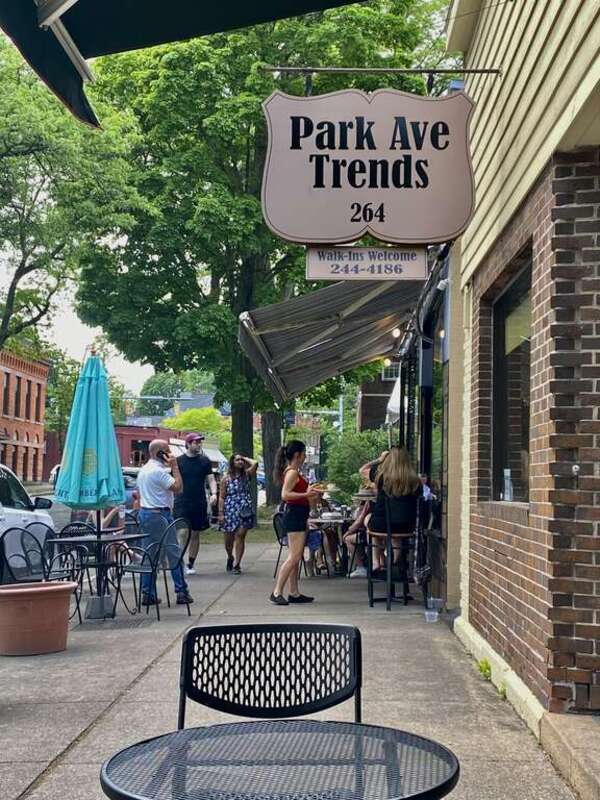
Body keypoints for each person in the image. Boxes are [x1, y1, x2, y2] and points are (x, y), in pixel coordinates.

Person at [136, 439, 193, 606]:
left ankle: (148, 592)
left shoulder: (144, 470)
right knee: (173, 552)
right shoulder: (158, 472)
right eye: (167, 451)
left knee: (150, 554)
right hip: (160, 514)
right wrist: (175, 466)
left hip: (146, 513)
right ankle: (181, 590)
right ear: (159, 452)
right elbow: (178, 488)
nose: (170, 454)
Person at [270, 439, 322, 606]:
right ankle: (277, 591)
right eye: (304, 453)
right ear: (298, 455)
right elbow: (285, 495)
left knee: (295, 556)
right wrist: (306, 495)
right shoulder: (292, 472)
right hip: (294, 515)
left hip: (299, 514)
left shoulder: (295, 472)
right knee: (294, 556)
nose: (305, 456)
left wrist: (309, 495)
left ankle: (294, 592)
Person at [359, 447, 422, 567]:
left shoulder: (381, 478)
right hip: (408, 527)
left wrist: (380, 459)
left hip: (382, 525)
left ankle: (376, 561)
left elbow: (362, 470)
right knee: (395, 528)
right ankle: (396, 562)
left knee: (369, 520)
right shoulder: (416, 481)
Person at [173, 432, 217, 575]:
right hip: (182, 501)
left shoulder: (205, 461)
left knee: (195, 534)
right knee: (182, 531)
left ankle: (190, 563)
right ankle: (179, 562)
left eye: (200, 442)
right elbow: (173, 481)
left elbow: (210, 479)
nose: (199, 445)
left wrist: (214, 493)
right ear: (188, 444)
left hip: (199, 501)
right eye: (196, 442)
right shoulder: (178, 461)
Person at [218, 453, 258, 574]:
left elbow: (255, 463)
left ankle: (237, 564)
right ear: (232, 463)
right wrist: (221, 513)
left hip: (244, 509)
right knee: (228, 540)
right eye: (237, 460)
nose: (240, 462)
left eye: (241, 460)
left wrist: (245, 458)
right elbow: (222, 497)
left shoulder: (246, 475)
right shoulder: (226, 478)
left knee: (240, 535)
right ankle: (230, 556)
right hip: (230, 509)